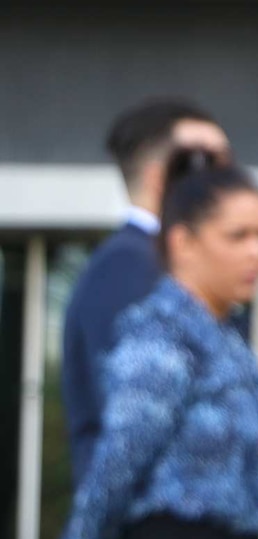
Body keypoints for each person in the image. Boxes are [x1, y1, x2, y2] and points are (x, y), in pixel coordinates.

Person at [53, 148, 258, 539]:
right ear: (183, 242)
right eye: (238, 236)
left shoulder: (227, 340)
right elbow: (116, 467)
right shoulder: (160, 334)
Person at [60, 96, 230, 488]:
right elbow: (136, 422)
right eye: (207, 163)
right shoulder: (129, 269)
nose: (227, 179)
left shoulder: (159, 265)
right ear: (159, 177)